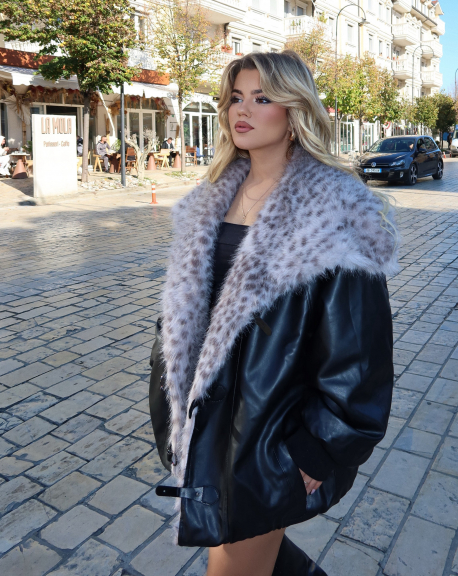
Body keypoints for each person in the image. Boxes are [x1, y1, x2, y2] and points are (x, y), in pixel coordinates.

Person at [150, 51, 397, 576]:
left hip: (267, 435)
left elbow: (360, 354)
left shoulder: (334, 209)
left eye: (262, 98)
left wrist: (319, 450)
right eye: (236, 97)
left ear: (294, 108)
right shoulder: (213, 196)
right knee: (243, 549)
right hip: (206, 423)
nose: (243, 110)